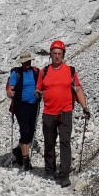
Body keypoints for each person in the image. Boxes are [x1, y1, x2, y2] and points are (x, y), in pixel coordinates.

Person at [35, 39, 89, 188]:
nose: (57, 56)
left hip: (65, 112)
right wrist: (37, 93)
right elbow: (38, 88)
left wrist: (84, 106)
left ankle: (64, 174)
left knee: (65, 142)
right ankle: (49, 169)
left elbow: (78, 89)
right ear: (50, 55)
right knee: (49, 141)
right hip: (48, 112)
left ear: (63, 55)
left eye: (59, 53)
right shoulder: (44, 72)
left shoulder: (70, 71)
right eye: (54, 53)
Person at [6, 50, 40, 170]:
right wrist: (10, 93)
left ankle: (17, 151)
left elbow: (41, 85)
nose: (27, 63)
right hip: (21, 107)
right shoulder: (16, 73)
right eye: (24, 61)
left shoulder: (36, 72)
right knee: (25, 132)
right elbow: (10, 89)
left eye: (28, 61)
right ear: (21, 62)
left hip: (34, 106)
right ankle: (26, 162)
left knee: (30, 132)